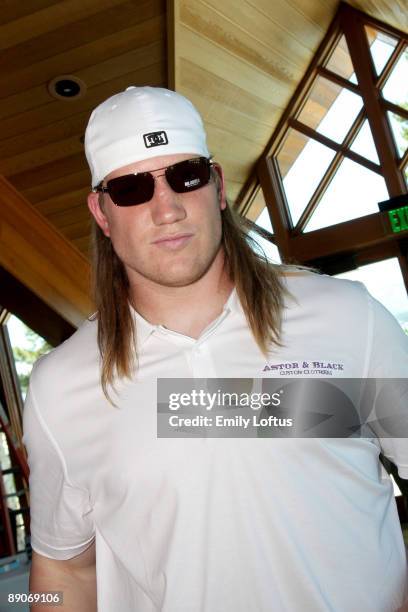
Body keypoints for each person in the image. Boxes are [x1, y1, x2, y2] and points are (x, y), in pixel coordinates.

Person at [23, 86, 408, 612]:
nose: (168, 209)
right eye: (133, 189)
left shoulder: (347, 318)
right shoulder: (61, 388)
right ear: (101, 211)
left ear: (218, 185)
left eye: (186, 175)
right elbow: (61, 569)